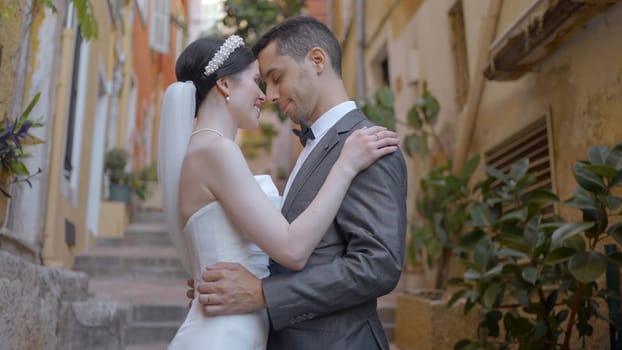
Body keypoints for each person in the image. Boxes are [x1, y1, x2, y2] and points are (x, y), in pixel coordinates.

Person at [158, 34, 399, 350]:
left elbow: (376, 263)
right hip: (224, 335)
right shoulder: (217, 152)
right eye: (258, 82)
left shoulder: (209, 150)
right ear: (225, 85)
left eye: (272, 80)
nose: (265, 95)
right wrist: (346, 165)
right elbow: (292, 249)